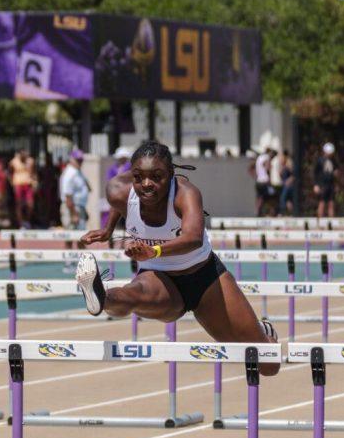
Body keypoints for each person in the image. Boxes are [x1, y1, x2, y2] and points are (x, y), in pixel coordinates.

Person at [76, 140, 278, 377]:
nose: (147, 184)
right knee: (132, 297)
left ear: (171, 174)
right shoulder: (117, 191)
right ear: (132, 175)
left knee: (267, 365)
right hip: (158, 277)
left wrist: (155, 250)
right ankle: (100, 295)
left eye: (157, 177)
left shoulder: (185, 194)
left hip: (206, 279)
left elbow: (193, 238)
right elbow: (122, 204)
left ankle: (263, 332)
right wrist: (108, 230)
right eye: (139, 177)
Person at [59, 149, 90, 230]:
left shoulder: (78, 172)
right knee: (70, 234)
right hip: (71, 208)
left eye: (81, 160)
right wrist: (74, 214)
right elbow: (68, 196)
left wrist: (83, 209)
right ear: (71, 159)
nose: (80, 162)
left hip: (79, 207)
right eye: (78, 160)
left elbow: (87, 188)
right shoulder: (70, 173)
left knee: (81, 237)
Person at [10, 150, 36, 229]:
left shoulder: (31, 161)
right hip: (18, 184)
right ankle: (21, 224)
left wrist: (35, 181)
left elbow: (34, 172)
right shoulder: (14, 162)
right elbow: (9, 172)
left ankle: (27, 221)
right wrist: (12, 182)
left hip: (28, 184)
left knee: (30, 204)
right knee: (19, 205)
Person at [314, 143, 337, 219]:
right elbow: (316, 173)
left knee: (331, 203)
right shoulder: (320, 160)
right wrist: (316, 185)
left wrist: (335, 174)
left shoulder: (333, 160)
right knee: (322, 202)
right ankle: (320, 223)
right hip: (322, 184)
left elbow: (336, 171)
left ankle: (331, 223)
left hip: (331, 184)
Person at [252, 148, 272, 217]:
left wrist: (256, 175)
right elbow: (267, 167)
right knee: (267, 198)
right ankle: (266, 213)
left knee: (259, 198)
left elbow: (252, 168)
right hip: (264, 181)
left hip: (258, 181)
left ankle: (258, 212)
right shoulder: (267, 157)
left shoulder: (259, 158)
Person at [278, 150, 296, 216]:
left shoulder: (289, 164)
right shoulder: (283, 166)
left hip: (288, 185)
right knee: (288, 201)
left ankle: (282, 213)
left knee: (283, 198)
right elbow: (281, 175)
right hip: (285, 185)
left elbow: (293, 175)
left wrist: (289, 180)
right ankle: (291, 213)